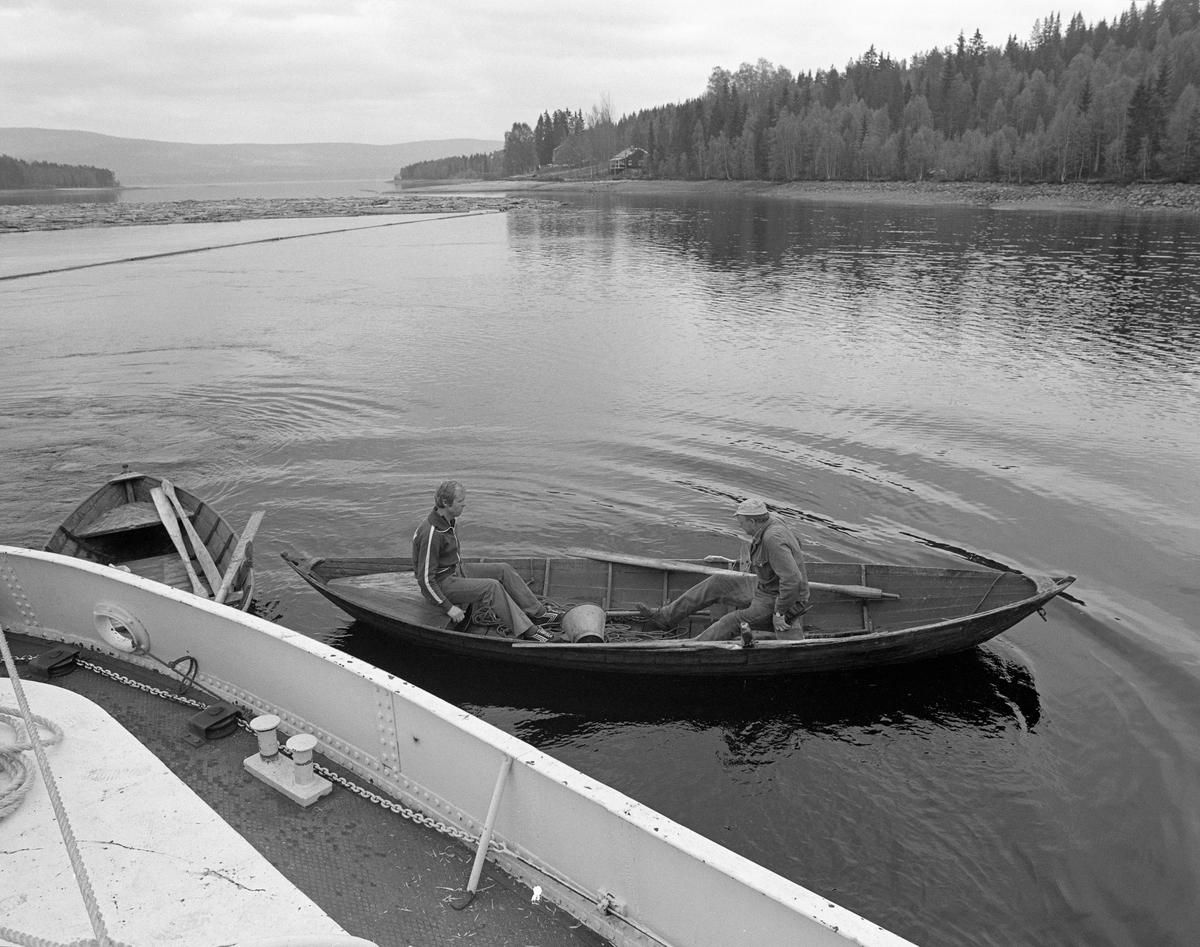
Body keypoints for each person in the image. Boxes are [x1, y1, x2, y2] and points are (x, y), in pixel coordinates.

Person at [636, 498, 809, 643]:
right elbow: (796, 544)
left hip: (781, 599)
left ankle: (690, 648)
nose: (740, 527)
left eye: (742, 523)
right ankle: (666, 617)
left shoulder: (773, 538)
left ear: (753, 521)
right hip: (765, 586)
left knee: (731, 621)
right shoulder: (771, 521)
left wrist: (779, 612)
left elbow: (793, 580)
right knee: (717, 582)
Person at [412, 480, 560, 639]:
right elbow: (425, 580)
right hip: (442, 583)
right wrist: (448, 608)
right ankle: (527, 631)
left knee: (504, 569)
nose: (464, 505)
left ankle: (538, 613)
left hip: (456, 570)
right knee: (492, 587)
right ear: (445, 503)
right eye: (460, 501)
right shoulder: (432, 534)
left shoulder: (449, 521)